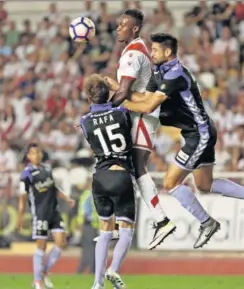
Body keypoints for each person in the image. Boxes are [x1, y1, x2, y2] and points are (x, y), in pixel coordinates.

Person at [121, 33, 244, 249]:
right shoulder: (160, 71)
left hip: (199, 133)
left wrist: (121, 103)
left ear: (167, 52)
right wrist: (121, 92)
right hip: (198, 132)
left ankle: (207, 222)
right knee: (204, 184)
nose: (151, 53)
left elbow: (148, 107)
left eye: (154, 50)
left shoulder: (175, 74)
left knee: (170, 183)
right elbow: (144, 99)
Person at [98, 9, 176, 250]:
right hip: (139, 114)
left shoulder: (133, 53)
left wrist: (99, 113)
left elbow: (123, 92)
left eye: (124, 25)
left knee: (136, 166)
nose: (118, 27)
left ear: (134, 28)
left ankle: (161, 219)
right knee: (128, 167)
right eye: (118, 24)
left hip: (142, 115)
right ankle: (122, 224)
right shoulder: (136, 49)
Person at [78, 74, 162, 289]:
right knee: (126, 228)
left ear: (89, 97)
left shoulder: (84, 121)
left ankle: (97, 283)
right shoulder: (122, 113)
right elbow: (136, 106)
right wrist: (119, 89)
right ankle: (113, 269)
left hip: (100, 177)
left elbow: (95, 121)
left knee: (104, 230)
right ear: (109, 93)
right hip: (121, 174)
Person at [17, 143, 75, 289]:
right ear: (29, 156)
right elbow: (22, 197)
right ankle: (38, 281)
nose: (36, 155)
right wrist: (20, 216)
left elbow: (53, 187)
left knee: (61, 242)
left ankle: (42, 272)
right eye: (33, 153)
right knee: (41, 247)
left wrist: (66, 198)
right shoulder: (26, 174)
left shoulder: (47, 169)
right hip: (40, 214)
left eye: (38, 152)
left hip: (54, 212)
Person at [77, 185, 99, 274]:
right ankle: (90, 270)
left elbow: (84, 211)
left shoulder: (86, 195)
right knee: (93, 249)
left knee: (87, 248)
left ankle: (84, 270)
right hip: (95, 226)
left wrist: (81, 223)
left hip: (88, 225)